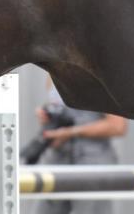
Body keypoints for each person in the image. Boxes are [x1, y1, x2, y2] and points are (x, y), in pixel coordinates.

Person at [34, 81, 128, 214]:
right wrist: (47, 118)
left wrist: (71, 132)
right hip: (59, 159)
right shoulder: (51, 72)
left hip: (92, 162)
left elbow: (118, 126)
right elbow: (58, 109)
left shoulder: (101, 72)